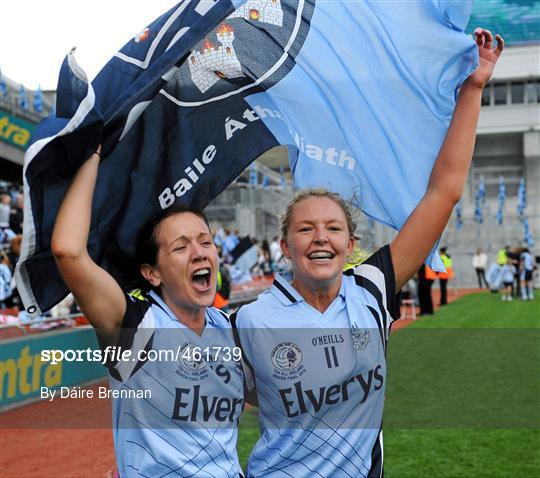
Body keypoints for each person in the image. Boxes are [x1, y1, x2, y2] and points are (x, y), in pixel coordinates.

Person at [234, 29, 503, 477]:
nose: (321, 237)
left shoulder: (372, 289)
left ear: (351, 244)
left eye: (333, 228)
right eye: (306, 228)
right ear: (285, 246)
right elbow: (225, 401)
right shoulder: (249, 319)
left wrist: (472, 90)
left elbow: (443, 192)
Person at [51, 149, 246, 477]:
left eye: (206, 242)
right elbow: (68, 252)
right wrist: (91, 154)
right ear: (151, 273)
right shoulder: (137, 327)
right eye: (181, 247)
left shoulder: (230, 330)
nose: (199, 253)